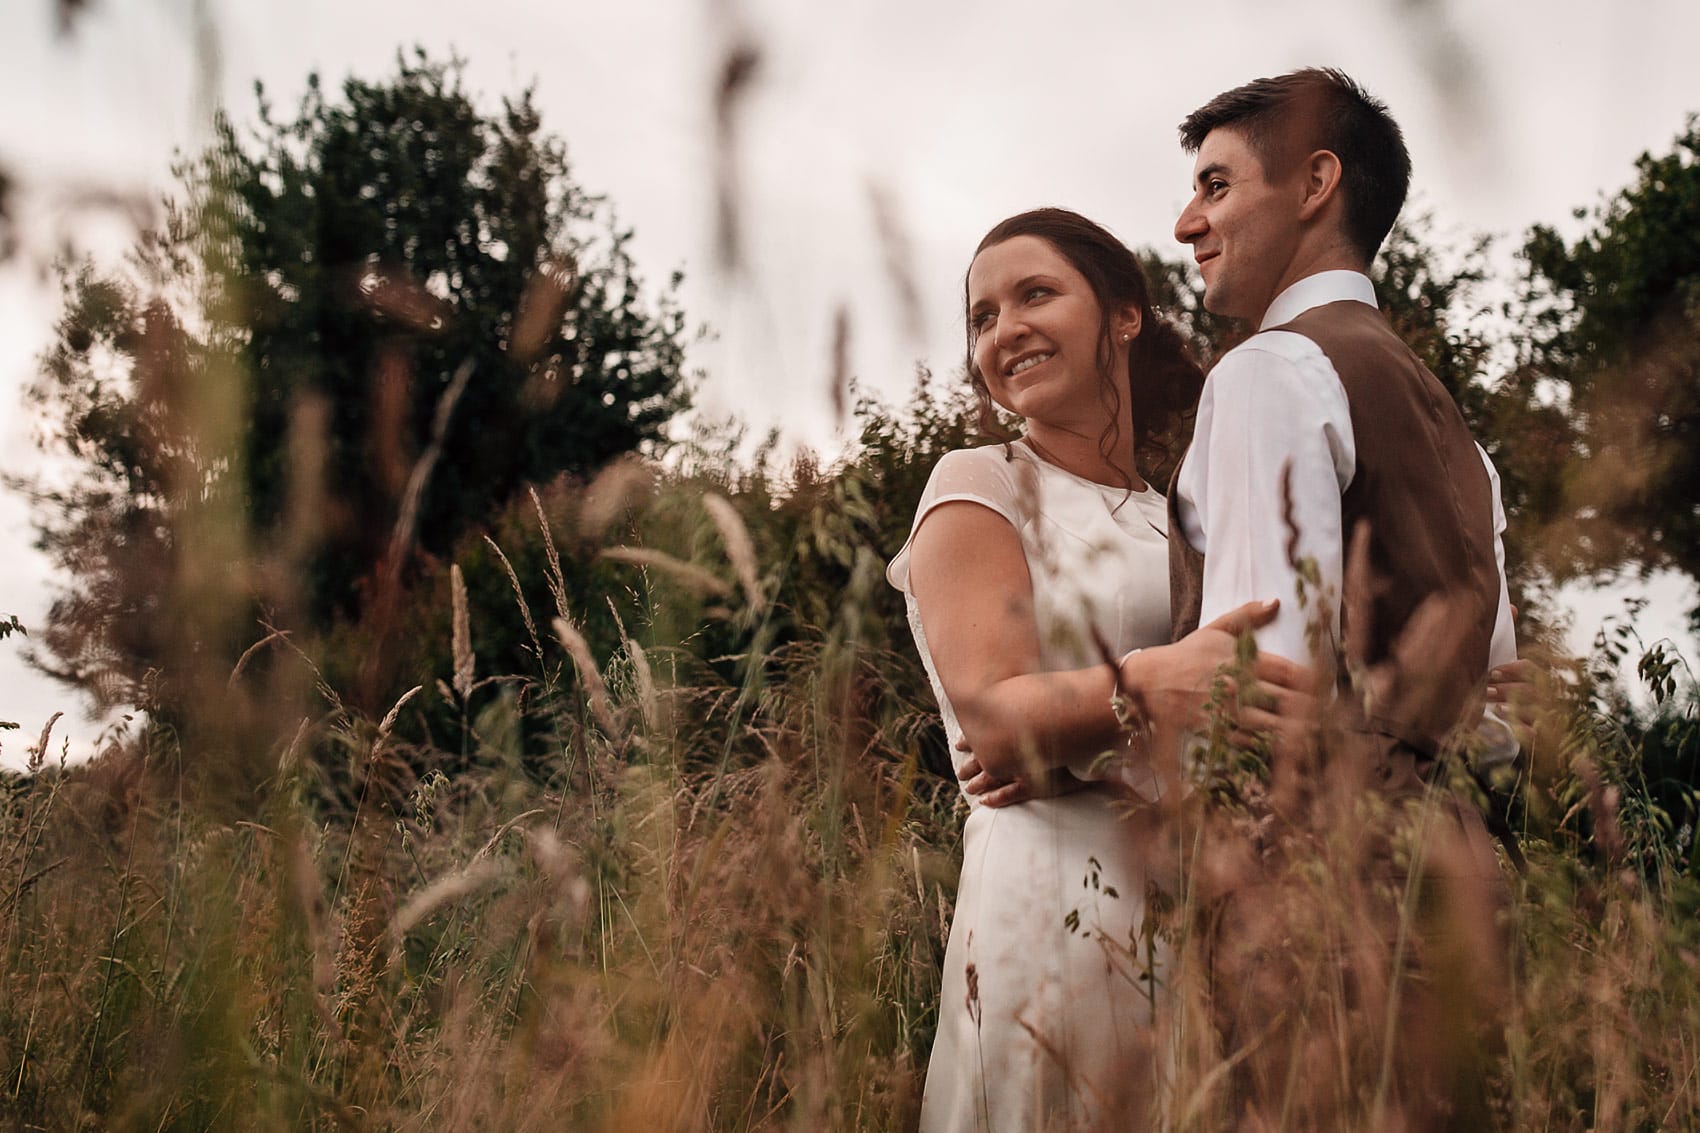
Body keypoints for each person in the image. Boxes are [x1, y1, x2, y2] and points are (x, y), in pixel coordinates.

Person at [1167, 68, 1518, 1125]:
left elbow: (1256, 693)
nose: (1186, 222)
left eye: (1215, 186)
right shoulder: (1451, 424)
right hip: (1453, 878)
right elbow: (1501, 708)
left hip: (1314, 899)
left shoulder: (1268, 371)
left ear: (1315, 180)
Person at [887, 208, 1285, 1132]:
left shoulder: (1182, 511)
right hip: (1051, 888)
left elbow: (1252, 680)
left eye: (1035, 293)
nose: (1004, 329)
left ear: (1124, 315)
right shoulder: (978, 482)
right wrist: (1150, 688)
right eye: (982, 316)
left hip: (1199, 903)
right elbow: (992, 717)